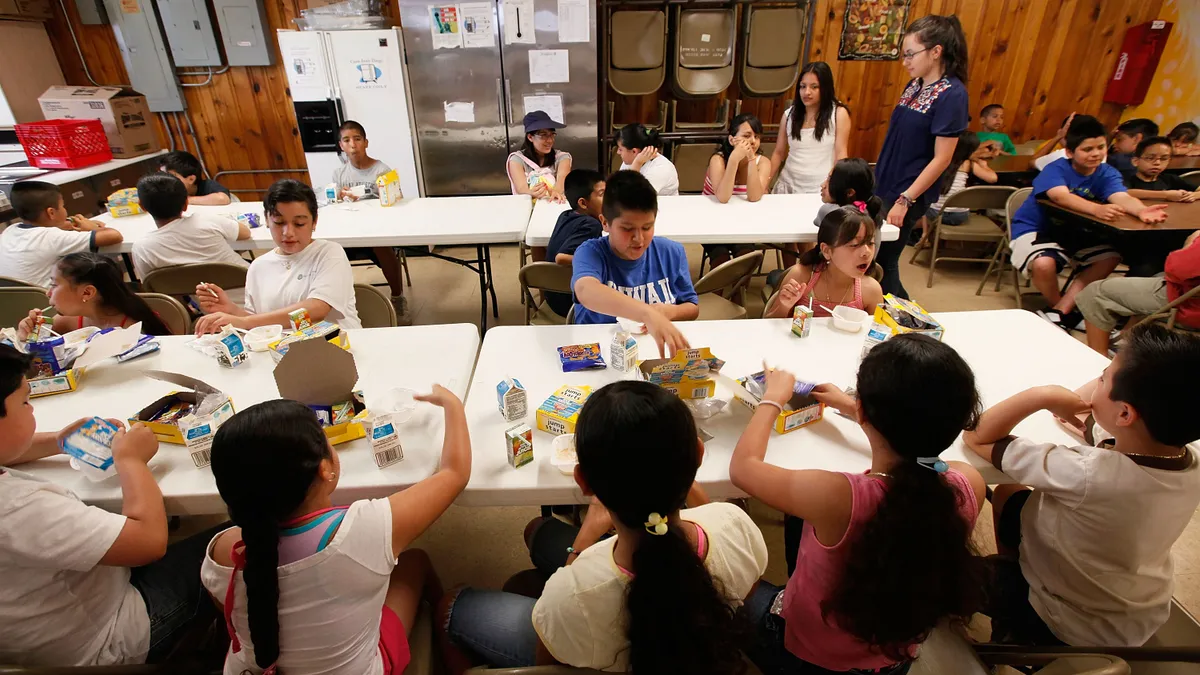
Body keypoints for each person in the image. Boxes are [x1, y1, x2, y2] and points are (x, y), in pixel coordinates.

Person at [439, 380, 768, 674]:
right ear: (699, 454)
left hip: (584, 624)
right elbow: (740, 602)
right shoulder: (736, 524)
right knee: (537, 530)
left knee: (449, 605)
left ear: (583, 481)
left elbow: (549, 664)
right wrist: (681, 474)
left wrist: (587, 534)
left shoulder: (570, 594)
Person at [731, 335, 987, 674]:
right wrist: (857, 407)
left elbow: (743, 468)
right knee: (800, 520)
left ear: (865, 409)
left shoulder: (837, 496)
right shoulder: (969, 483)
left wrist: (773, 399)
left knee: (725, 587)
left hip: (810, 656)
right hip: (894, 656)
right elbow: (917, 452)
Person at [201, 385, 471, 674]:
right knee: (415, 561)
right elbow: (454, 473)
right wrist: (452, 404)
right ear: (324, 469)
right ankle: (445, 643)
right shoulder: (363, 529)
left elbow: (233, 608)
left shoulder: (221, 550)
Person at [964, 324, 1200, 647]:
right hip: (1131, 608)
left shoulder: (1087, 473)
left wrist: (1044, 395)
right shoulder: (1185, 455)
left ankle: (1013, 628)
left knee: (948, 575)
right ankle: (1016, 573)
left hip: (1065, 618)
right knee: (1008, 493)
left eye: (1103, 377)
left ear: (1126, 413)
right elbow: (1107, 429)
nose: (1096, 382)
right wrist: (1099, 407)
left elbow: (978, 436)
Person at [0, 344, 220, 666]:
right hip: (106, 640)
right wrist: (132, 461)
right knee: (237, 536)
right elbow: (148, 543)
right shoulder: (19, 507)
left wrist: (60, 440)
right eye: (24, 402)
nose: (32, 409)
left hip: (41, 628)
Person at [1008, 115, 1168, 331]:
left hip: (1076, 232)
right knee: (1043, 263)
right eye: (1087, 149)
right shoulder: (1055, 169)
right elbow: (1060, 196)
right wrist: (1097, 208)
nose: (1096, 154)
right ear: (1070, 152)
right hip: (1035, 229)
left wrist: (1141, 210)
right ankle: (1060, 309)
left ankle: (1060, 312)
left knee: (1109, 257)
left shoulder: (1107, 172)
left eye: (1100, 147)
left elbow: (1120, 196)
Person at [873, 15, 971, 299]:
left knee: (885, 262)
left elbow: (942, 159)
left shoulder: (952, 94)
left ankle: (911, 325)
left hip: (909, 191)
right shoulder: (914, 86)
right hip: (886, 184)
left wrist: (906, 199)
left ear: (936, 51)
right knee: (876, 259)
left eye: (911, 54)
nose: (906, 61)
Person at [193, 180, 361, 334]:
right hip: (282, 351)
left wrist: (243, 321)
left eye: (299, 224)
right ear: (267, 219)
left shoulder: (329, 253)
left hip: (335, 346)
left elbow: (316, 310)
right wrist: (231, 310)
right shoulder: (259, 266)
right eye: (279, 223)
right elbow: (259, 323)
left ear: (314, 222)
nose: (288, 233)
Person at [570, 171, 697, 354]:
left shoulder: (671, 252)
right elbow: (585, 290)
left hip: (651, 351)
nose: (639, 239)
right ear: (605, 223)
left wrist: (669, 312)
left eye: (647, 227)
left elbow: (692, 307)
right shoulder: (590, 252)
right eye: (627, 229)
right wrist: (647, 313)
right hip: (600, 352)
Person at [331, 121, 410, 323]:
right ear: (341, 145)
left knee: (382, 246)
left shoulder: (381, 170)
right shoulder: (339, 174)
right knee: (329, 250)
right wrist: (339, 197)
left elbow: (397, 198)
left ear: (366, 143)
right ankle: (337, 301)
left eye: (357, 139)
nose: (353, 145)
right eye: (347, 140)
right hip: (350, 229)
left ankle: (397, 295)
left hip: (377, 228)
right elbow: (334, 205)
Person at [1077, 231, 1200, 355]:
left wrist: (1191, 242)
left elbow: (1176, 270)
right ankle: (1128, 341)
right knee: (1152, 273)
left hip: (1188, 306)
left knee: (1095, 293)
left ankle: (1099, 358)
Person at [130, 173, 251, 286]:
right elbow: (245, 233)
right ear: (186, 204)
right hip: (252, 289)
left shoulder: (142, 248)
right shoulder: (206, 220)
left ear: (142, 206)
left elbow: (154, 287)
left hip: (207, 305)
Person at [764, 206, 884, 319]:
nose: (866, 252)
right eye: (854, 245)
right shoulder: (802, 277)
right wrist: (784, 306)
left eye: (870, 243)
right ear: (827, 250)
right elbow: (768, 325)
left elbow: (877, 334)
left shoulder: (871, 290)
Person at [17, 253, 171, 339]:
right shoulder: (68, 320)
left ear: (87, 292)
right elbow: (33, 356)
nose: (48, 292)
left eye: (54, 285)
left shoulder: (131, 329)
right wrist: (28, 334)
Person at [0, 181, 122, 288]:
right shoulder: (52, 237)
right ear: (51, 212)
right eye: (63, 206)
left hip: (18, 308)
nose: (65, 210)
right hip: (51, 307)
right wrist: (92, 228)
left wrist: (72, 223)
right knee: (104, 272)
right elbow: (114, 236)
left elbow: (50, 228)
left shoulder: (9, 231)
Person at [703, 112, 773, 268]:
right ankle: (719, 292)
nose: (753, 141)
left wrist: (750, 160)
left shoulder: (763, 163)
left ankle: (738, 292)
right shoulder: (718, 160)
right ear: (731, 139)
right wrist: (734, 159)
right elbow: (723, 197)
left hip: (744, 224)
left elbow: (754, 196)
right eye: (747, 136)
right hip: (713, 223)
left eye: (757, 136)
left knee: (746, 257)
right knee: (721, 258)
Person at [770, 61, 851, 195]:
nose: (807, 92)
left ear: (825, 88)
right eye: (803, 86)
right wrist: (764, 182)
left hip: (819, 187)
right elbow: (778, 153)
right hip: (788, 185)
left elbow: (841, 155)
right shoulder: (789, 114)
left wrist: (833, 186)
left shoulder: (839, 113)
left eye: (814, 87)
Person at [544, 169, 605, 317]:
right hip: (569, 303)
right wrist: (604, 261)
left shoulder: (566, 215)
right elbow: (562, 257)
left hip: (552, 295)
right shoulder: (591, 225)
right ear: (583, 203)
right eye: (602, 194)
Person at [926, 130, 999, 226]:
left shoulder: (940, 161)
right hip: (959, 216)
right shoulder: (967, 164)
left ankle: (925, 235)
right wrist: (984, 166)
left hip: (935, 214)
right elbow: (993, 178)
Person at [508, 111, 572, 202]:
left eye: (552, 135)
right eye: (543, 135)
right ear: (530, 137)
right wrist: (531, 193)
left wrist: (554, 192)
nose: (550, 140)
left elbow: (562, 180)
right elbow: (521, 188)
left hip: (554, 204)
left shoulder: (562, 158)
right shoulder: (517, 160)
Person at [1122, 136, 1199, 202]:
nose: (1157, 162)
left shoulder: (1169, 179)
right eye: (1150, 158)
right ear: (1135, 161)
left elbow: (1197, 189)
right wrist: (1166, 195)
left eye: (1164, 158)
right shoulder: (1126, 179)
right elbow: (1125, 192)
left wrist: (1194, 195)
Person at [614, 123, 679, 196]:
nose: (618, 152)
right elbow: (619, 191)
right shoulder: (629, 161)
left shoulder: (661, 168)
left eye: (620, 149)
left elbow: (633, 198)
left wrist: (637, 164)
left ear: (634, 151)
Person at [161, 150, 232, 206]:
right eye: (162, 174)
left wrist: (186, 200)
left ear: (191, 179)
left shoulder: (207, 185)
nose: (165, 180)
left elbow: (223, 198)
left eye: (171, 176)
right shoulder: (163, 189)